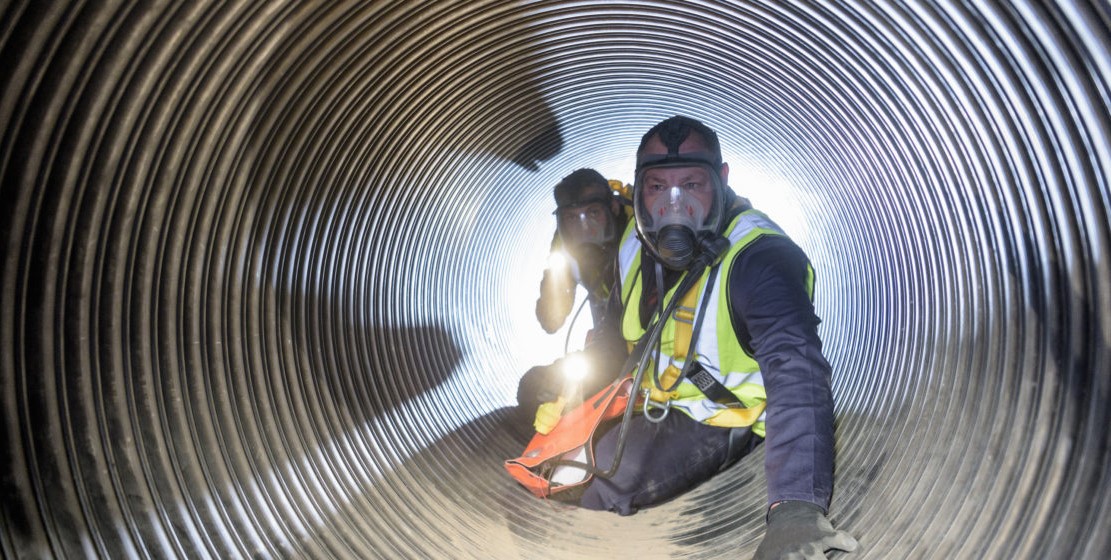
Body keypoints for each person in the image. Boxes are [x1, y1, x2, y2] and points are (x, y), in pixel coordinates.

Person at [574, 116, 857, 559]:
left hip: (721, 420)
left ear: (721, 180)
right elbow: (614, 333)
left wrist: (795, 509)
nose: (674, 205)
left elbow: (796, 373)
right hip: (654, 401)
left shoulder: (760, 259)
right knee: (563, 462)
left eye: (691, 184)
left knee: (599, 482)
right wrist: (581, 403)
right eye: (657, 188)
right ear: (637, 187)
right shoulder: (632, 239)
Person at [516, 169, 630, 426]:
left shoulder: (641, 226)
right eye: (571, 218)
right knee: (533, 387)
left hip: (656, 336)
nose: (584, 226)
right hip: (609, 343)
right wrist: (558, 273)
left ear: (612, 207)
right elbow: (551, 320)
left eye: (593, 213)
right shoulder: (564, 249)